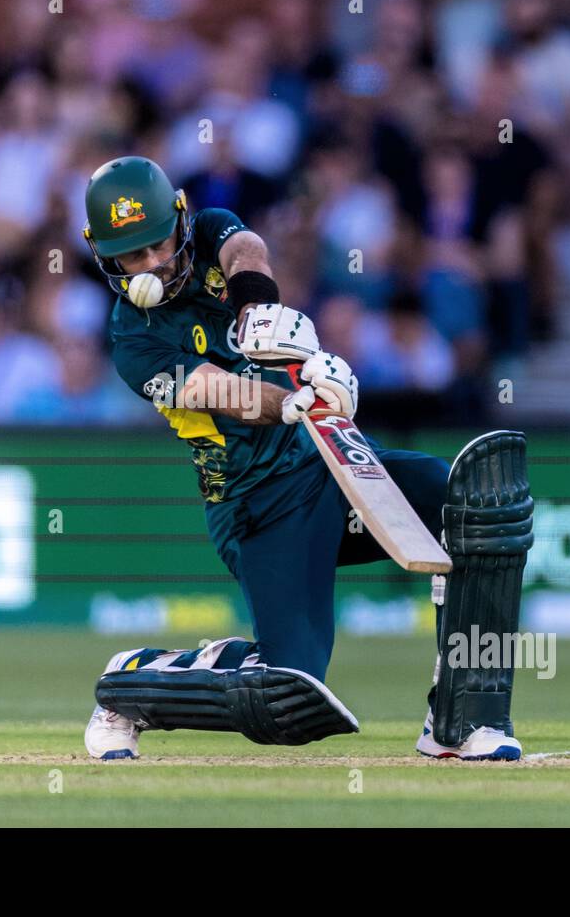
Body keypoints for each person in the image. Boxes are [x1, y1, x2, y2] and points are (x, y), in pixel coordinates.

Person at [79, 156, 533, 761]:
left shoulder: (210, 228)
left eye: (157, 245)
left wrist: (256, 312)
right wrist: (299, 397)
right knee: (286, 694)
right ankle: (134, 681)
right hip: (258, 508)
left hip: (331, 468)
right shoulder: (132, 343)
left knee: (472, 509)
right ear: (106, 259)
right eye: (131, 257)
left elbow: (246, 250)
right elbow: (223, 394)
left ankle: (460, 721)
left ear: (180, 220)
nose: (152, 266)